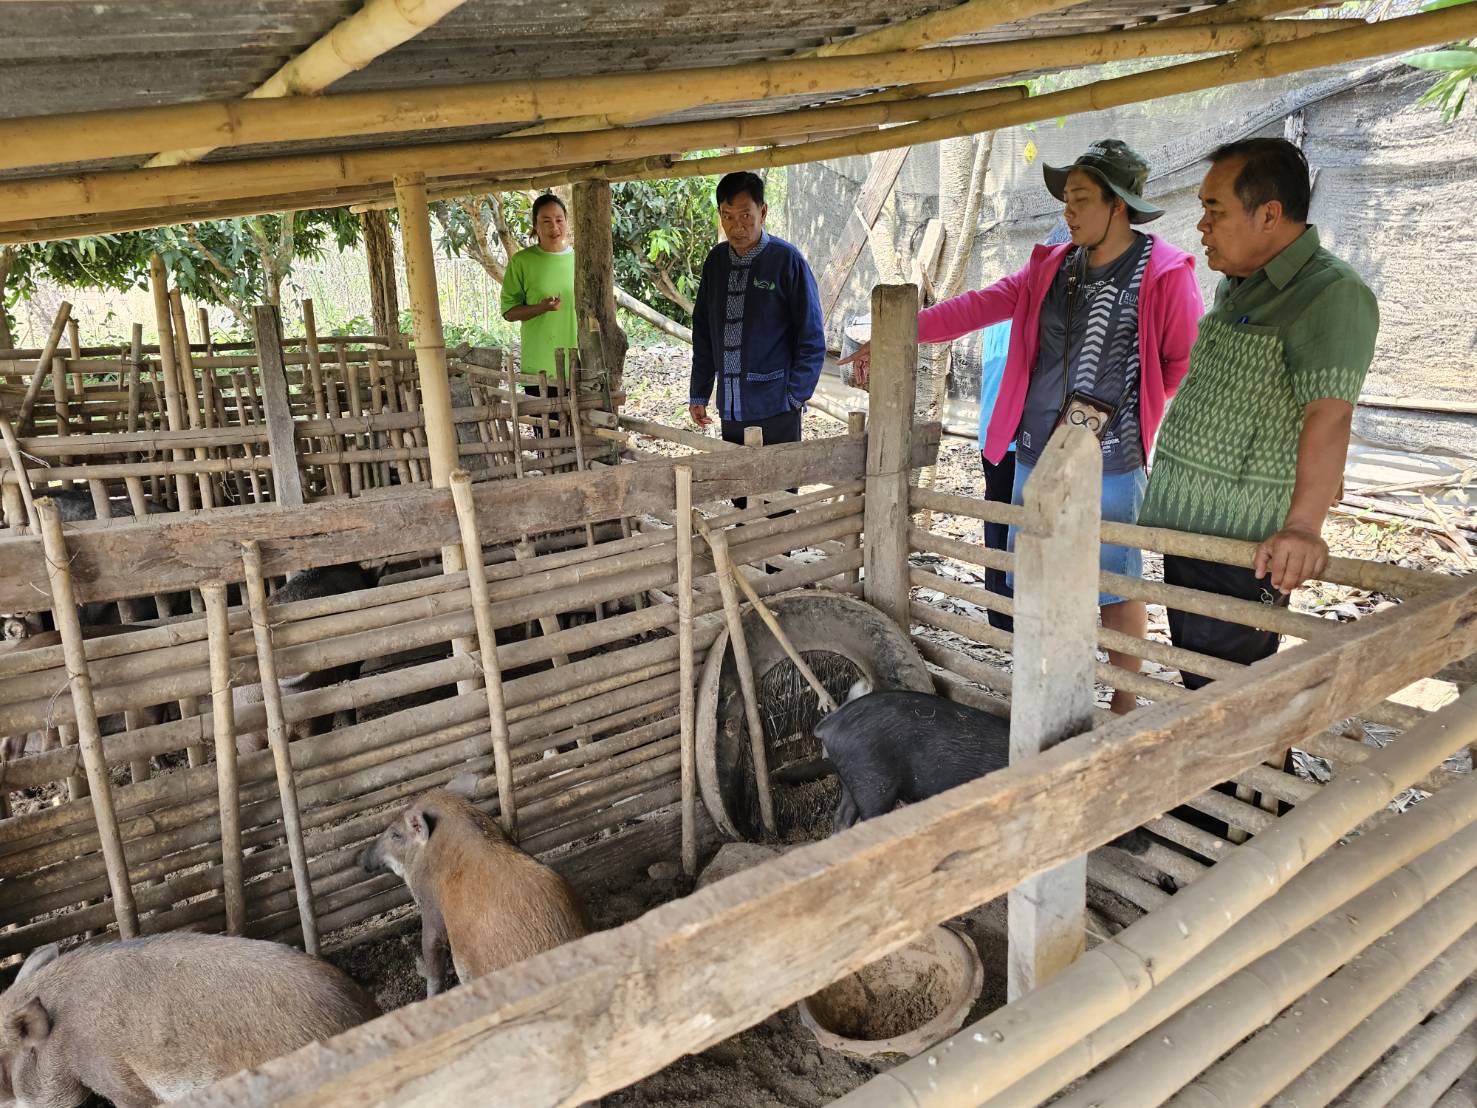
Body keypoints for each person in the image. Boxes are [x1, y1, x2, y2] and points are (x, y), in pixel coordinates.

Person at [843, 139, 1203, 713]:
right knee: (1038, 574)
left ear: (1118, 204)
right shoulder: (1052, 268)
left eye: (1081, 199)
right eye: (1066, 199)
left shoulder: (1164, 274)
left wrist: (1139, 408)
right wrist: (893, 331)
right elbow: (975, 307)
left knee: (1113, 579)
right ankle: (1054, 689)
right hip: (1037, 451)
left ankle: (1123, 701)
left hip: (1111, 457)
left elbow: (1183, 361)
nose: (1068, 210)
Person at [1138, 137, 1378, 687]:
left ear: (1269, 214)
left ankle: (1239, 751)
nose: (1202, 225)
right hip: (1197, 528)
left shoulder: (1331, 293)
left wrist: (1303, 528)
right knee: (1203, 674)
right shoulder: (1240, 284)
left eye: (1214, 210)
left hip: (1244, 547)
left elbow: (1330, 413)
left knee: (1228, 687)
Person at [687, 171, 826, 476]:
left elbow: (812, 338)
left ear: (762, 212)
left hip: (778, 405)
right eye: (728, 216)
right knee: (739, 489)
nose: (737, 226)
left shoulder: (787, 261)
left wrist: (795, 395)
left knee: (779, 491)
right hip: (731, 407)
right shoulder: (716, 262)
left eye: (745, 215)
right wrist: (699, 392)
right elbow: (704, 334)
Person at [501, 193, 578, 403]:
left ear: (566, 221)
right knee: (545, 425)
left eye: (559, 220)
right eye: (546, 221)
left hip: (582, 365)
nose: (554, 227)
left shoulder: (581, 259)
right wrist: (541, 307)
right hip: (541, 369)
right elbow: (509, 312)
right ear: (535, 225)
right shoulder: (522, 262)